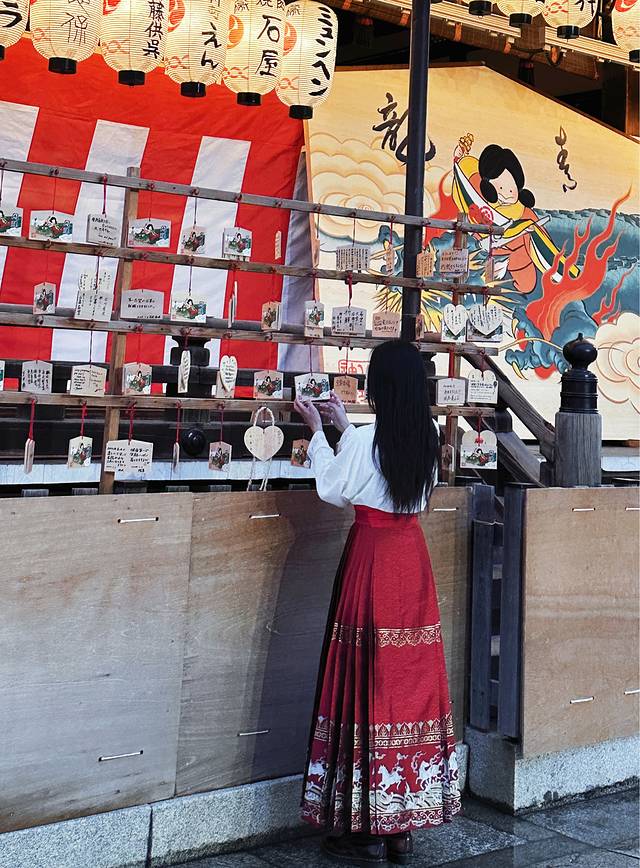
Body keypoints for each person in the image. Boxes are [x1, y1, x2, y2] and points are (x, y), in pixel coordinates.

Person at [294, 340, 460, 866]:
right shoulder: (427, 437)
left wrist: (318, 432)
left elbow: (335, 486)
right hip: (411, 560)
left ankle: (362, 827)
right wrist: (345, 427)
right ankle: (402, 826)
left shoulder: (368, 440)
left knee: (365, 680)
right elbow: (379, 465)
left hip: (371, 558)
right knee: (407, 683)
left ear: (380, 387)